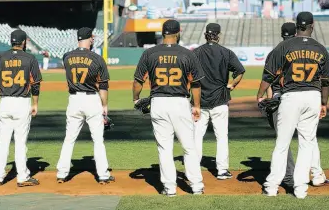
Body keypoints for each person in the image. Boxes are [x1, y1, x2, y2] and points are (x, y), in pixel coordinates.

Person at [257, 12, 329, 199]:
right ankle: (300, 188)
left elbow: (269, 75)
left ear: (297, 26)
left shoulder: (285, 46)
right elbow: (326, 82)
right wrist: (324, 103)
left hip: (291, 96)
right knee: (307, 143)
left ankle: (272, 186)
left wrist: (260, 94)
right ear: (312, 26)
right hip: (313, 96)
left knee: (282, 143)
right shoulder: (320, 48)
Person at [132, 19, 205, 196]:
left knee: (164, 148)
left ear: (163, 33)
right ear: (178, 33)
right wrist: (196, 106)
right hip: (180, 102)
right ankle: (196, 186)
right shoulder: (187, 54)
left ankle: (170, 187)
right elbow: (196, 84)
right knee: (189, 146)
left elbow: (138, 81)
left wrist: (136, 98)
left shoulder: (150, 53)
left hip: (158, 102)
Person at [0, 29, 42, 187]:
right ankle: (22, 177)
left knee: (3, 142)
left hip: (4, 103)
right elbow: (36, 84)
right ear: (24, 42)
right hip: (21, 103)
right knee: (20, 143)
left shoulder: (0, 57)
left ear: (11, 41)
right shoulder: (30, 58)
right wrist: (35, 103)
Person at [56, 27, 114, 184]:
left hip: (74, 100)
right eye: (92, 38)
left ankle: (62, 173)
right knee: (97, 139)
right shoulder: (97, 58)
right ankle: (102, 175)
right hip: (91, 100)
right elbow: (103, 85)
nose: (93, 40)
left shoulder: (66, 57)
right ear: (90, 39)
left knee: (69, 138)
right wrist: (104, 106)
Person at [193, 23, 245, 180]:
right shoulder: (226, 52)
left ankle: (194, 169)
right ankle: (222, 171)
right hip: (220, 100)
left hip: (199, 101)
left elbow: (188, 75)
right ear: (218, 35)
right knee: (221, 136)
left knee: (196, 136)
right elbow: (240, 71)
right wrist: (232, 85)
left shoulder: (196, 53)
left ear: (205, 35)